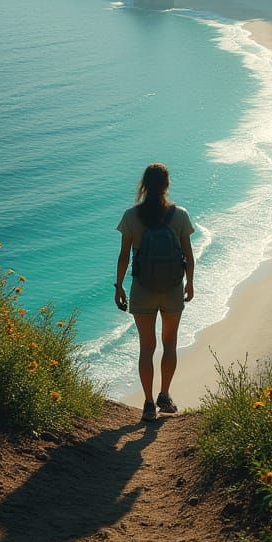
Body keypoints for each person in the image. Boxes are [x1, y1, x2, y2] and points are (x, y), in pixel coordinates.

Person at [114, 163, 195, 421]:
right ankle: (165, 395)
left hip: (143, 289)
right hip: (172, 288)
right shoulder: (180, 215)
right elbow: (189, 256)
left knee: (146, 347)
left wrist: (119, 286)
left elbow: (124, 255)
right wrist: (190, 283)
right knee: (169, 344)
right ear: (166, 185)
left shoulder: (130, 216)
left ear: (144, 185)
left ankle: (148, 404)